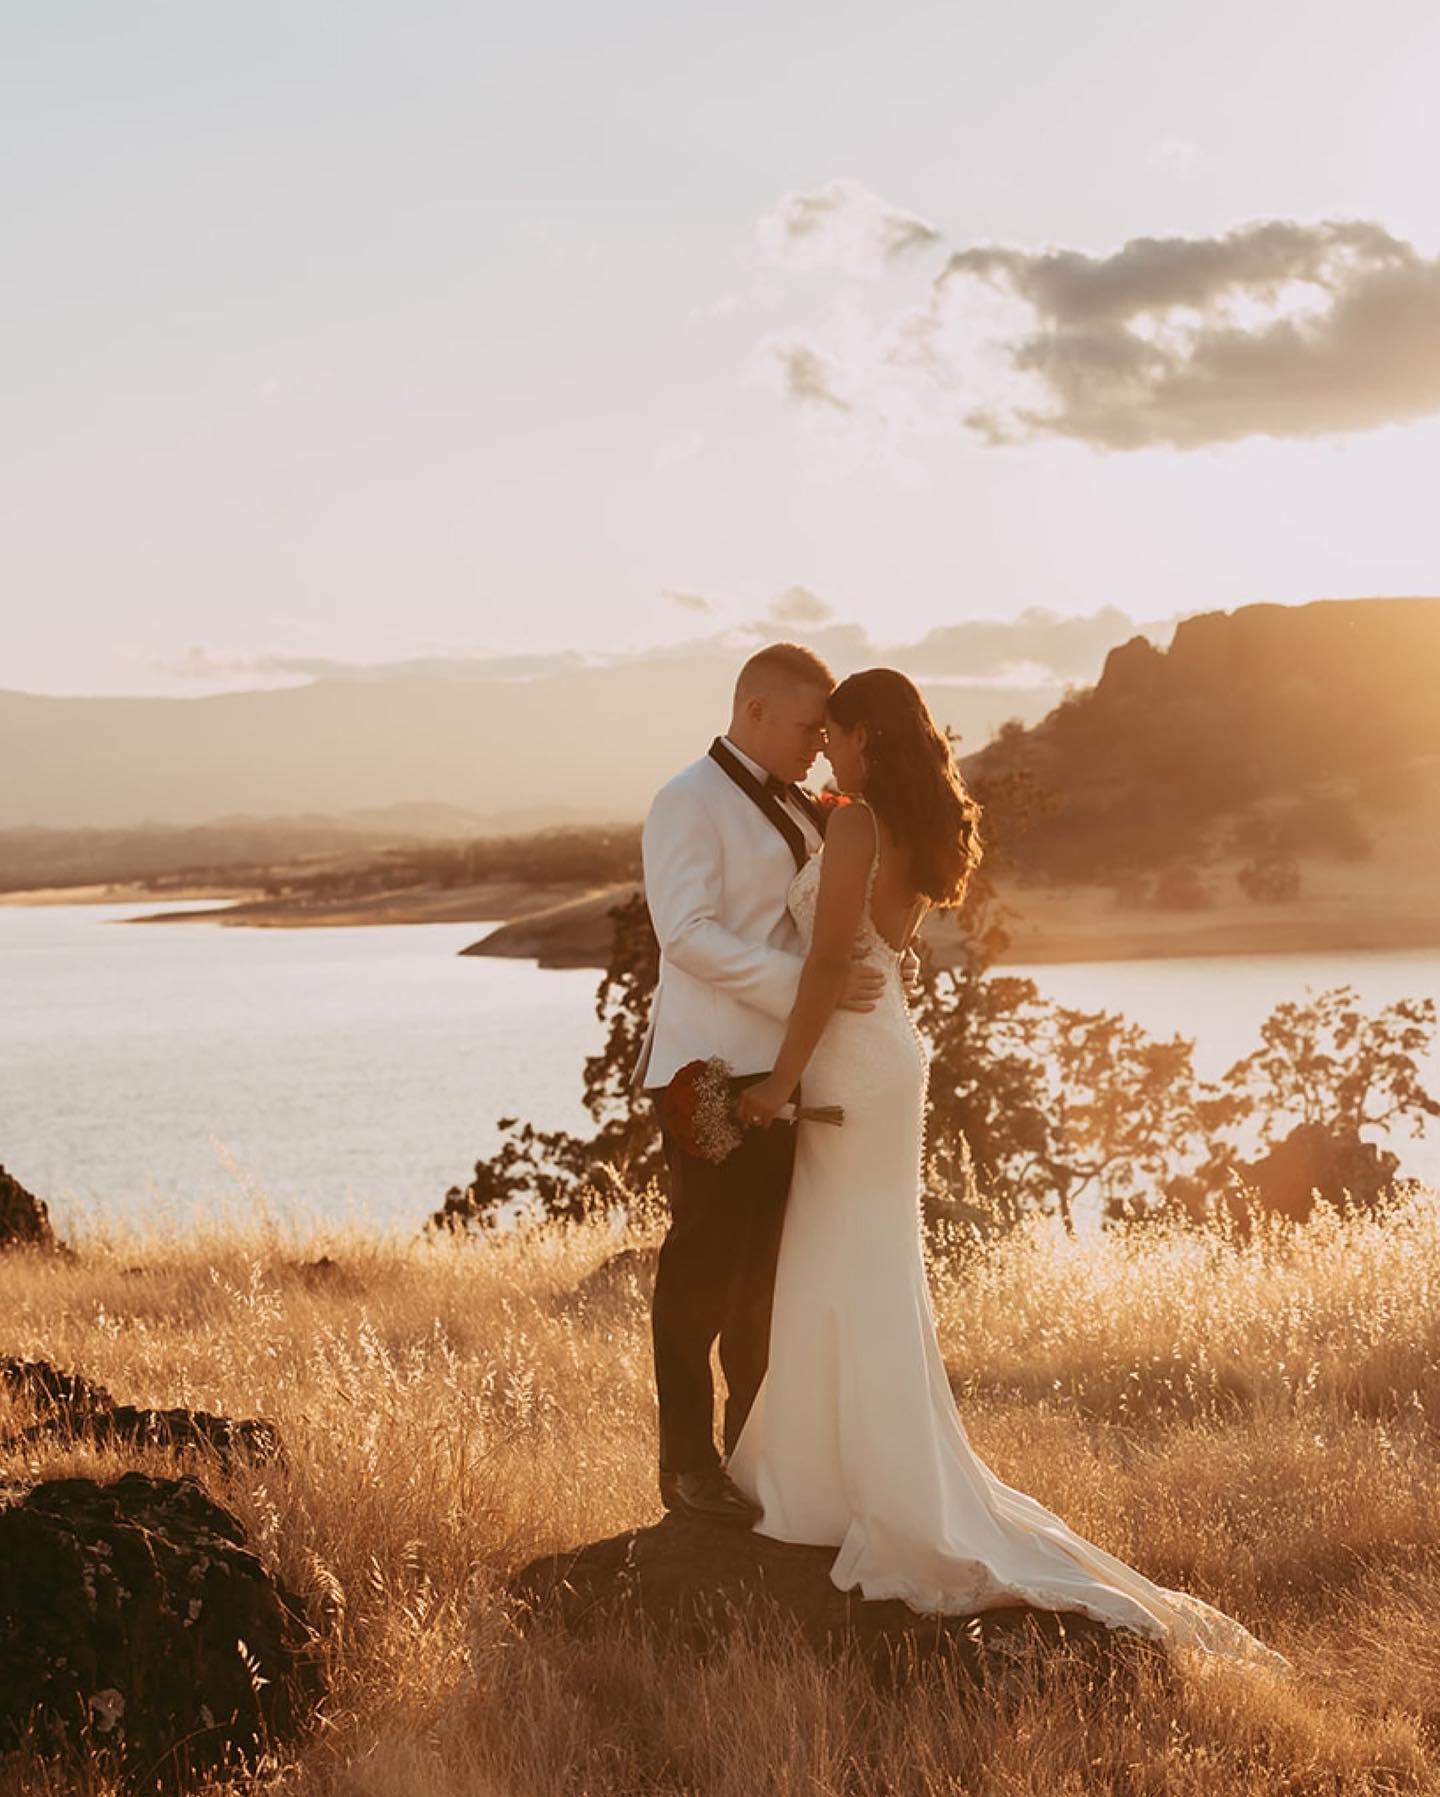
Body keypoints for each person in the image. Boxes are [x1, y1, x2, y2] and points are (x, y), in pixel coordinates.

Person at [726, 667, 1292, 1675]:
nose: (828, 750)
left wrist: (777, 1082)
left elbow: (824, 965)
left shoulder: (855, 824)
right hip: (890, 1051)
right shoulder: (900, 822)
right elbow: (873, 955)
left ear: (864, 736)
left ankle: (854, 1484)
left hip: (852, 1058)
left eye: (835, 733)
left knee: (849, 1261)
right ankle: (847, 1472)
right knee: (866, 1263)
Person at [634, 644, 922, 1525]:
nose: (818, 742)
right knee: (702, 1271)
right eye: (806, 727)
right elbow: (685, 933)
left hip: (800, 1064)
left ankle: (753, 1462)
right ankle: (685, 1467)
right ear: (755, 711)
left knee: (770, 1279)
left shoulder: (814, 805)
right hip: (714, 1066)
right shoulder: (686, 801)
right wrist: (810, 988)